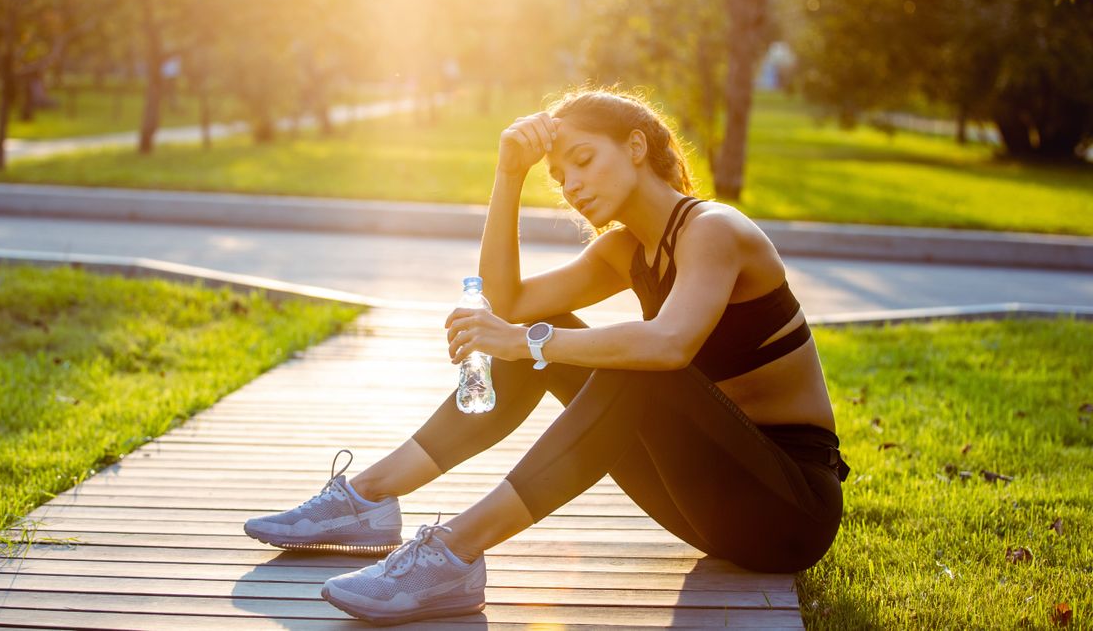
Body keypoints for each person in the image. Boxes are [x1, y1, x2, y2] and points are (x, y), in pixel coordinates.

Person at [243, 87, 850, 626]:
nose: (573, 186)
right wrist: (507, 175)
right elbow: (508, 302)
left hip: (790, 511)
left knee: (639, 364)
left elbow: (668, 345)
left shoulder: (714, 229)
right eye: (559, 178)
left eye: (584, 160)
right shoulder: (626, 252)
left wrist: (522, 340)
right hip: (708, 509)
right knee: (551, 327)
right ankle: (371, 497)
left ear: (636, 146)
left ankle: (454, 550)